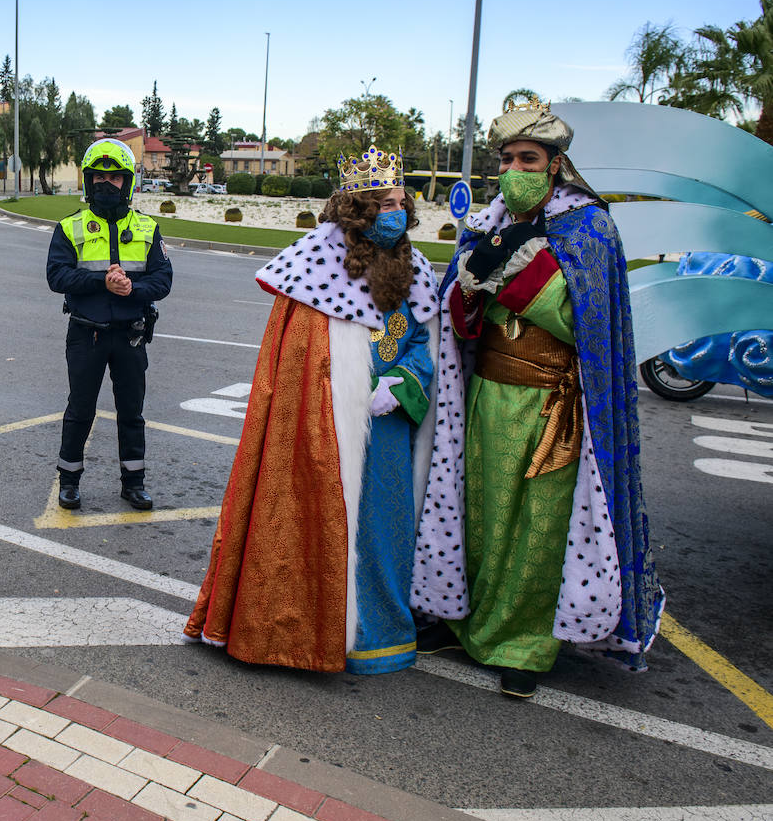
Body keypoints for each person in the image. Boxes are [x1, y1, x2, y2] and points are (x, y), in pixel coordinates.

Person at [414, 99, 664, 698]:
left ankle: (523, 645)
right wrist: (469, 287)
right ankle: (463, 620)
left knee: (539, 529)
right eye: (505, 159)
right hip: (486, 394)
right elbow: (460, 322)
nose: (513, 170)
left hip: (553, 403)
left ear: (556, 164)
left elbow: (590, 327)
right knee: (479, 515)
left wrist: (519, 274)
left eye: (527, 158)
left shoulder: (590, 228)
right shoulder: (486, 223)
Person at [184, 146, 439, 673]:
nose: (396, 214)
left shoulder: (413, 266)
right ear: (359, 210)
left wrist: (402, 385)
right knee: (315, 524)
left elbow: (425, 343)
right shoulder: (313, 263)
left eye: (400, 203)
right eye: (384, 204)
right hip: (323, 427)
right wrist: (342, 392)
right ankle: (303, 630)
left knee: (385, 529)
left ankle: (380, 634)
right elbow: (297, 360)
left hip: (389, 425)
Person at [47, 138, 172, 511]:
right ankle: (69, 482)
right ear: (88, 182)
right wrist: (101, 282)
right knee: (80, 410)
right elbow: (56, 276)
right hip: (86, 333)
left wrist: (132, 288)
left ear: (127, 182)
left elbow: (163, 280)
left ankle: (134, 484)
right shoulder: (70, 227)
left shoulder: (148, 228)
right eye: (99, 177)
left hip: (131, 335)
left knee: (132, 412)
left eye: (114, 177)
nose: (106, 184)